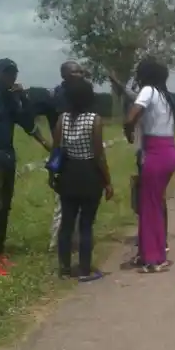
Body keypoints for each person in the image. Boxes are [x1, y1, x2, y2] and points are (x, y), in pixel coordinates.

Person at [0, 58, 51, 275]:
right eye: (6, 73)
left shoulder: (11, 99)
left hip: (8, 158)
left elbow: (27, 122)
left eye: (13, 73)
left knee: (5, 206)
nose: (10, 77)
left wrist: (23, 98)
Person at [51, 77, 113, 281]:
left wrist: (53, 173)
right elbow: (98, 154)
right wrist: (107, 181)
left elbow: (57, 149)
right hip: (88, 173)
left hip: (68, 172)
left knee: (67, 223)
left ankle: (64, 268)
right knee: (86, 223)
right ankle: (85, 268)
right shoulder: (94, 119)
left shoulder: (63, 119)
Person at [124, 57, 175, 273]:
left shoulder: (147, 91)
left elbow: (133, 115)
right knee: (155, 204)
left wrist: (127, 130)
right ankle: (152, 253)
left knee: (148, 207)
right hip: (169, 151)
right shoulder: (164, 95)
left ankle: (153, 259)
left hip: (155, 153)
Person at [36, 61, 87, 252]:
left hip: (82, 151)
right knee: (63, 200)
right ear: (65, 74)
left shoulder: (81, 93)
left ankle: (74, 240)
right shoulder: (59, 96)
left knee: (81, 200)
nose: (80, 74)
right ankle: (57, 242)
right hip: (64, 151)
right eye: (76, 71)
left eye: (81, 71)